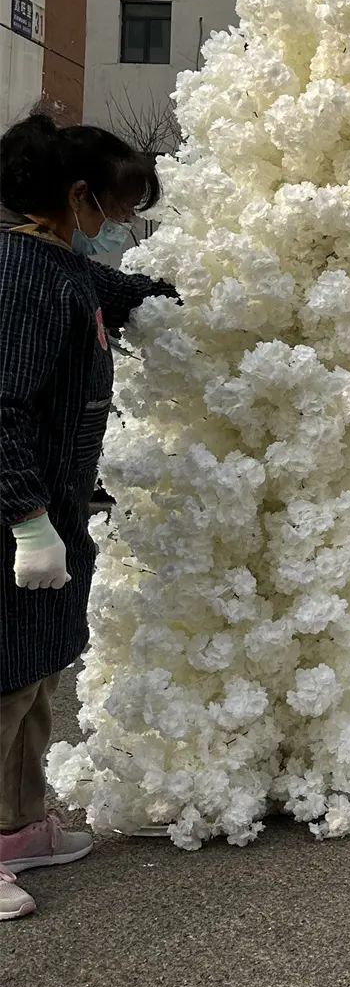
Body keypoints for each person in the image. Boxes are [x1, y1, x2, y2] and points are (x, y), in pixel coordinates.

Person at [0, 108, 174, 921]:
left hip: (56, 506)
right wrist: (27, 518)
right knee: (1, 683)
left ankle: (16, 827)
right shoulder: (19, 278)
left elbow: (127, 290)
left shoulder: (64, 266)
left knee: (34, 677)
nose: (123, 227)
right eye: (120, 208)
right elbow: (0, 407)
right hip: (14, 513)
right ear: (78, 196)